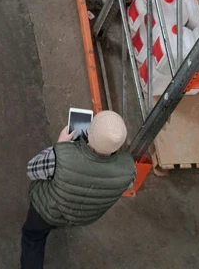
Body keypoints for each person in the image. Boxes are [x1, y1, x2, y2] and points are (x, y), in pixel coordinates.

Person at [21, 110, 136, 268]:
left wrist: (59, 147)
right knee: (61, 219)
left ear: (89, 132)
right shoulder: (129, 169)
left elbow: (32, 170)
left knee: (33, 237)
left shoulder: (60, 158)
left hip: (46, 210)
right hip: (82, 215)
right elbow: (127, 185)